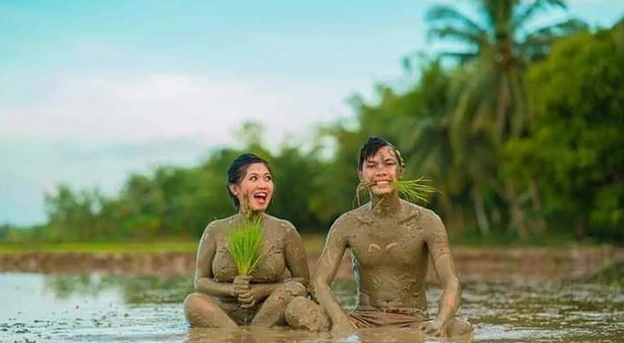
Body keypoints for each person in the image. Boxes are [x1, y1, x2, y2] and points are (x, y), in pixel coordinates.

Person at [285, 137, 473, 337]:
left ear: (400, 171)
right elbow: (319, 281)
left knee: (460, 327)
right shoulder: (347, 224)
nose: (380, 172)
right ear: (361, 175)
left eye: (389, 164)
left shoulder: (426, 221)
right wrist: (340, 321)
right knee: (297, 308)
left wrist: (440, 321)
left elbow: (451, 281)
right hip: (361, 321)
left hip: (414, 321)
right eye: (372, 166)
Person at [184, 153, 310, 328]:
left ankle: (254, 333)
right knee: (193, 302)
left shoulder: (285, 230)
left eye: (267, 178)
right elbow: (201, 282)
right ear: (234, 188)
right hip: (226, 314)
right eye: (253, 178)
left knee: (294, 290)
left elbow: (303, 280)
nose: (263, 184)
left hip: (271, 310)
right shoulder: (215, 230)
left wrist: (261, 291)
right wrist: (232, 290)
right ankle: (236, 335)